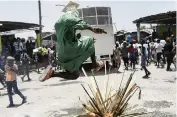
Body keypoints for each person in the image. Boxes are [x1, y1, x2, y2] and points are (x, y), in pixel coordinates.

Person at [39, 1, 106, 81]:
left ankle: (53, 74)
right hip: (69, 50)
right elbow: (77, 22)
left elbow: (69, 35)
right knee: (89, 40)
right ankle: (95, 65)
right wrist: (92, 29)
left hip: (61, 57)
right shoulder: (67, 17)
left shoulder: (58, 23)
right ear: (73, 12)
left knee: (75, 75)